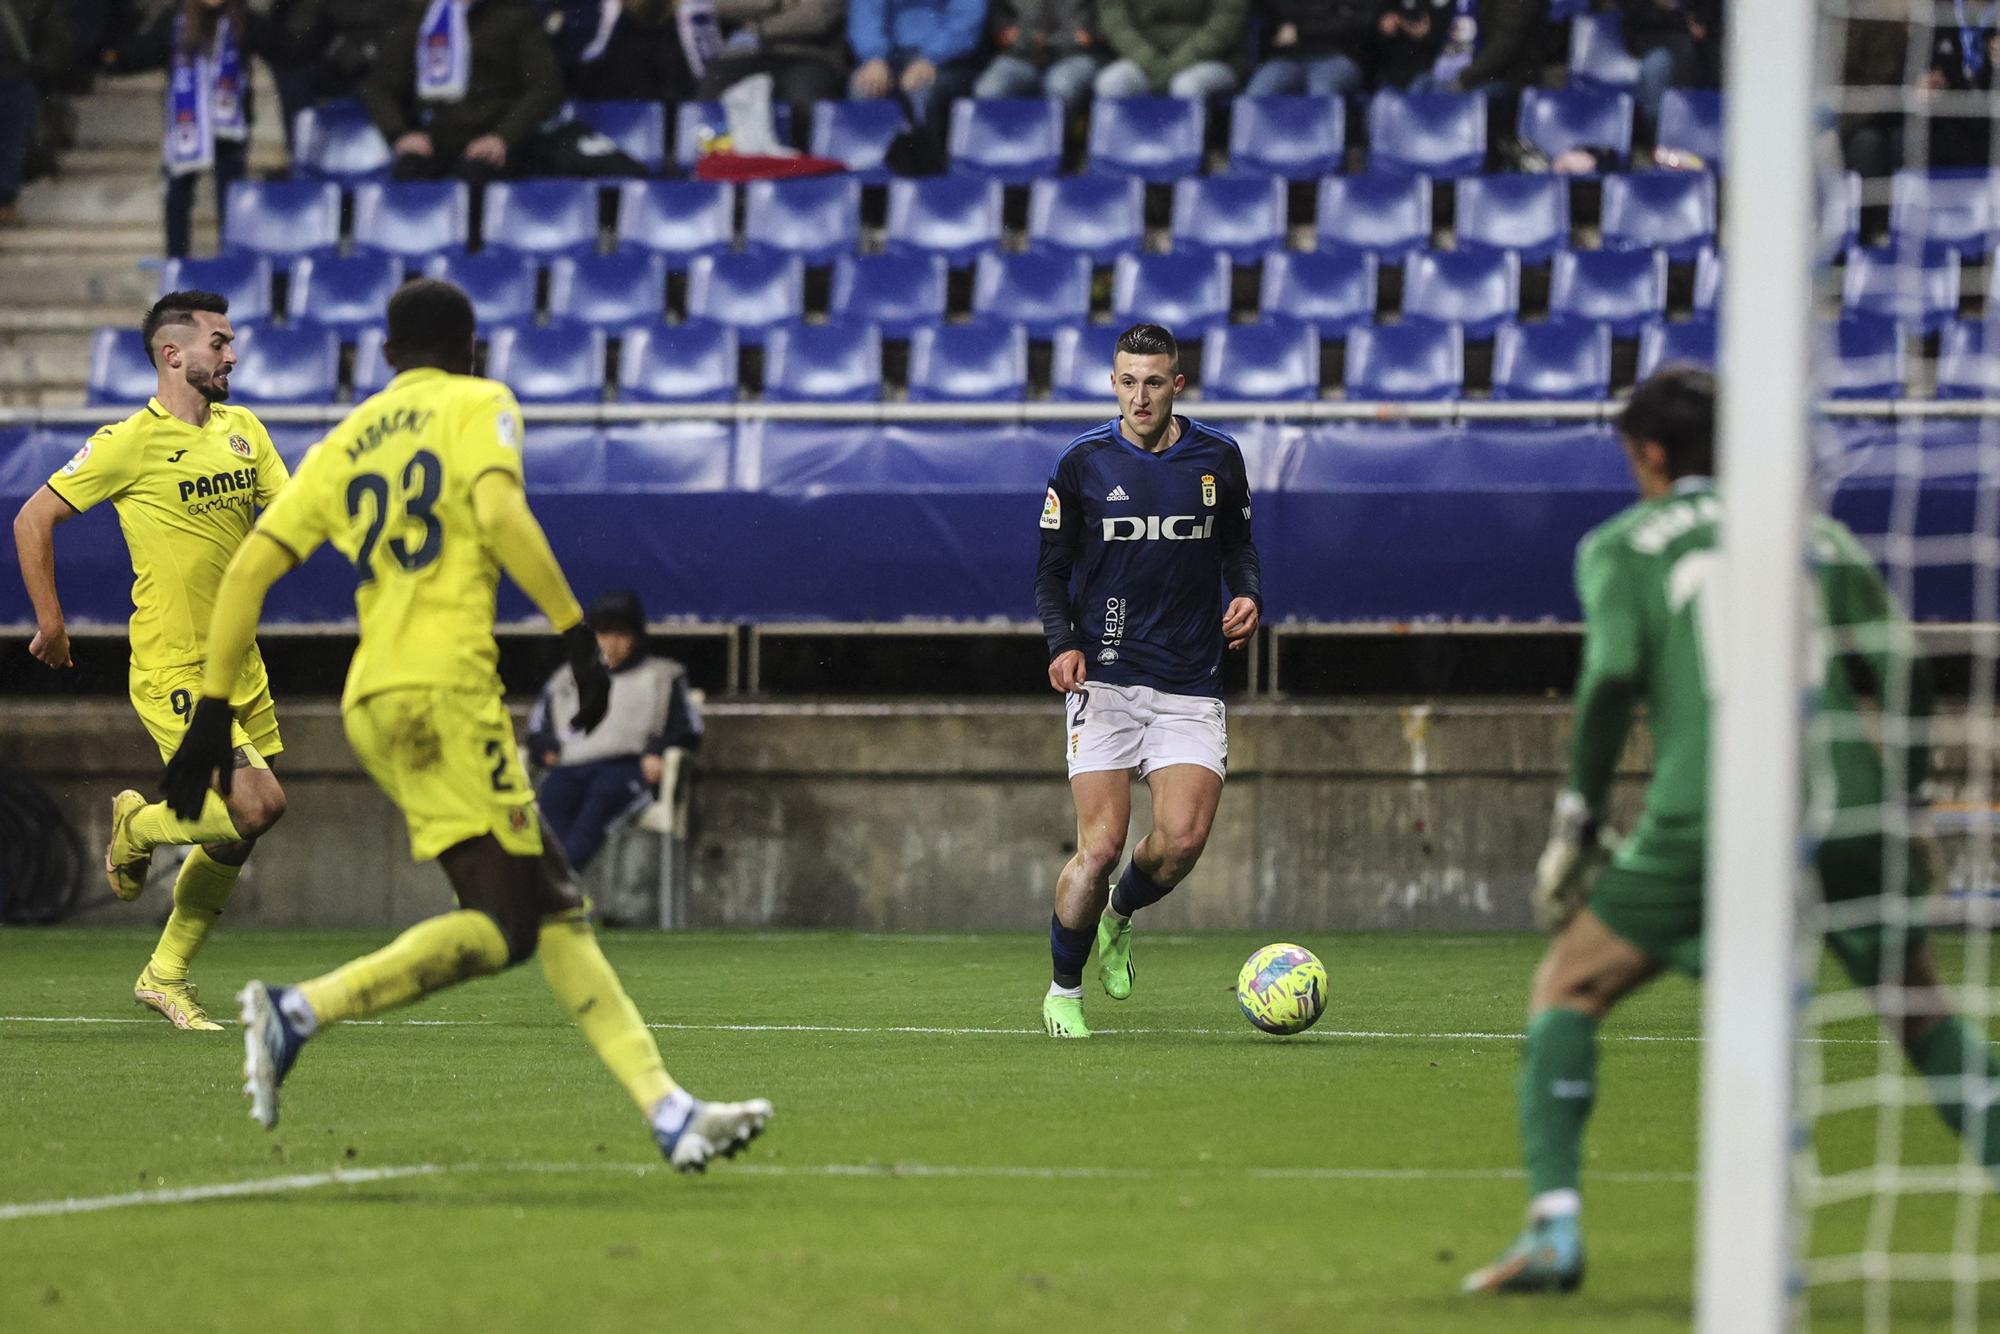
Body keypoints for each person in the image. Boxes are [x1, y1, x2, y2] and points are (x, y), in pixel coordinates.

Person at [159, 278, 770, 1169]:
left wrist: (213, 712)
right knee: (509, 923)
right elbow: (496, 512)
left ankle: (668, 1109)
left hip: (374, 699)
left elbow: (249, 569)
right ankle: (298, 1011)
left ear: (384, 355)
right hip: (447, 691)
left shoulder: (345, 440)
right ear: (472, 349)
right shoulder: (480, 402)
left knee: (548, 912)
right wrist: (576, 641)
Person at [1463, 367, 2000, 1294]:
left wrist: (1579, 821)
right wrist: (1902, 804)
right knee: (1920, 1015)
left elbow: (1608, 683)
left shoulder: (1625, 545)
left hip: (1708, 813)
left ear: (1654, 455)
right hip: (1847, 804)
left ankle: (1554, 1230)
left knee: (1568, 985)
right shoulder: (1816, 537)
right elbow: (1903, 668)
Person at [10, 290, 290, 1030]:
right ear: (173, 354)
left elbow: (294, 517)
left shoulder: (244, 431)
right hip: (176, 665)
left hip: (240, 665)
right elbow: (34, 515)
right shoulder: (128, 442)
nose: (232, 355)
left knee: (240, 828)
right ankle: (136, 829)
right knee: (256, 805)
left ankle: (164, 975)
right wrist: (51, 620)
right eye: (219, 343)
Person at [1032, 323, 1262, 1039]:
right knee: (1097, 847)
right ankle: (1063, 991)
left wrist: (1247, 592)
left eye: (1154, 381)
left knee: (1182, 841)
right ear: (1112, 382)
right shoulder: (1082, 463)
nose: (1140, 395)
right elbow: (1050, 571)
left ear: (1177, 385)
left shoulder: (1218, 457)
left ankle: (1120, 916)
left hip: (1190, 680)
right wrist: (1063, 643)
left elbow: (1238, 544)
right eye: (1128, 381)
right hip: (1104, 677)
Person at [526, 587, 705, 874]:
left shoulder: (663, 675)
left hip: (625, 769)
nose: (612, 643)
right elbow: (537, 730)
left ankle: (556, 889)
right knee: (550, 815)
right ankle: (546, 891)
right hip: (570, 768)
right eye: (604, 633)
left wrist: (656, 752)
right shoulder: (566, 677)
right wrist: (545, 749)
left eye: (622, 634)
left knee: (594, 817)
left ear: (637, 637)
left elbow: (688, 728)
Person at [102, 0, 278, 259]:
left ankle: (232, 265)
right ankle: (177, 264)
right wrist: (108, 57)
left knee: (230, 198)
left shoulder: (244, 20)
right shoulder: (175, 20)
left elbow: (282, 48)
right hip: (188, 126)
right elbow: (142, 53)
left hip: (228, 128)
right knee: (177, 197)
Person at [362, 0, 565, 183]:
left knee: (476, 177)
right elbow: (380, 86)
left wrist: (504, 137)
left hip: (494, 140)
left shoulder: (515, 16)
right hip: (434, 141)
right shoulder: (420, 18)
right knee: (409, 174)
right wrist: (399, 134)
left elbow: (545, 86)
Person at [699, 0, 849, 151]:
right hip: (748, 54)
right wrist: (777, 4)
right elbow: (718, 4)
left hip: (808, 54)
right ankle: (713, 158)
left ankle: (804, 164)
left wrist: (754, 26)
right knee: (713, 82)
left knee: (804, 96)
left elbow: (816, 17)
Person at [847, 0, 985, 132]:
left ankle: (930, 155)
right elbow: (864, 17)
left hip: (948, 60)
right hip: (889, 58)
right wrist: (874, 58)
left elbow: (966, 20)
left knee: (921, 92)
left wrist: (930, 57)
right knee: (864, 88)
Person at [0, 0, 70, 229]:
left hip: (16, 78)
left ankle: (5, 200)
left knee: (14, 127)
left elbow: (56, 39)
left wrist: (36, 68)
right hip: (16, 77)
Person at [1092, 0, 1246, 99]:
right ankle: (1129, 149)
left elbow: (1225, 25)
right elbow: (1117, 25)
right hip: (1145, 60)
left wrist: (1176, 64)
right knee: (1111, 83)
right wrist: (1150, 61)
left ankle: (1190, 150)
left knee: (1186, 86)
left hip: (1211, 59)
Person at [973, 0, 1103, 116]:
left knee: (1060, 89)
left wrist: (1048, 40)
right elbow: (1001, 28)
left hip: (1074, 56)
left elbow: (1092, 32)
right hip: (1020, 57)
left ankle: (1053, 142)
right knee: (988, 90)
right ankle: (1010, 142)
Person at [1617, 0, 1721, 137]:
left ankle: (1707, 135)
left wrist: (1699, 20)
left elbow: (1709, 14)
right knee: (1656, 66)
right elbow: (1635, 19)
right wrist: (1677, 17)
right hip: (1655, 39)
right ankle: (1664, 137)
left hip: (1701, 45)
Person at [1243, 0, 1375, 99]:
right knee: (1254, 96)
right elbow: (1272, 13)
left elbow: (1357, 21)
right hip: (1289, 57)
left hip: (1339, 56)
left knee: (1320, 93)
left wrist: (1302, 32)